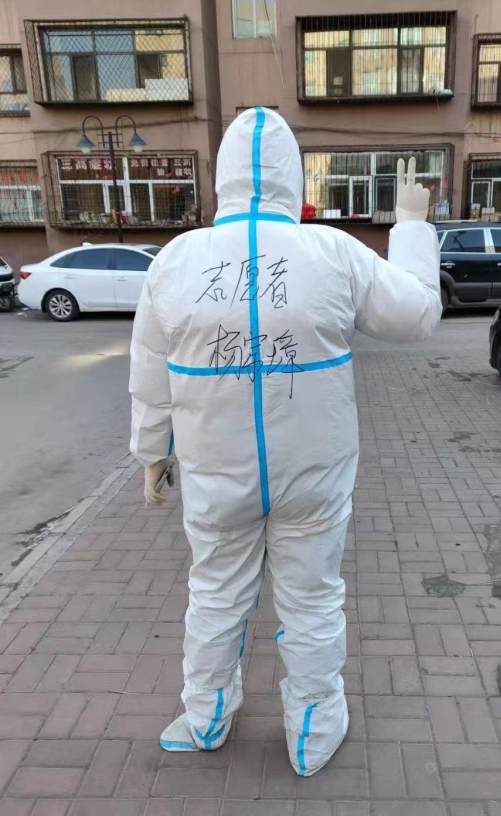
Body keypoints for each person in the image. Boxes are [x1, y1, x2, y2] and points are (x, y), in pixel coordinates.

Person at [129, 107, 442, 777]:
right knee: (312, 598)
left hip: (216, 476)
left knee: (215, 595)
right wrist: (412, 228)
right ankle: (312, 731)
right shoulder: (332, 252)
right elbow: (417, 315)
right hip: (315, 475)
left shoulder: (177, 261)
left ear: (223, 177)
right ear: (290, 177)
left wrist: (152, 453)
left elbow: (149, 373)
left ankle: (206, 717)